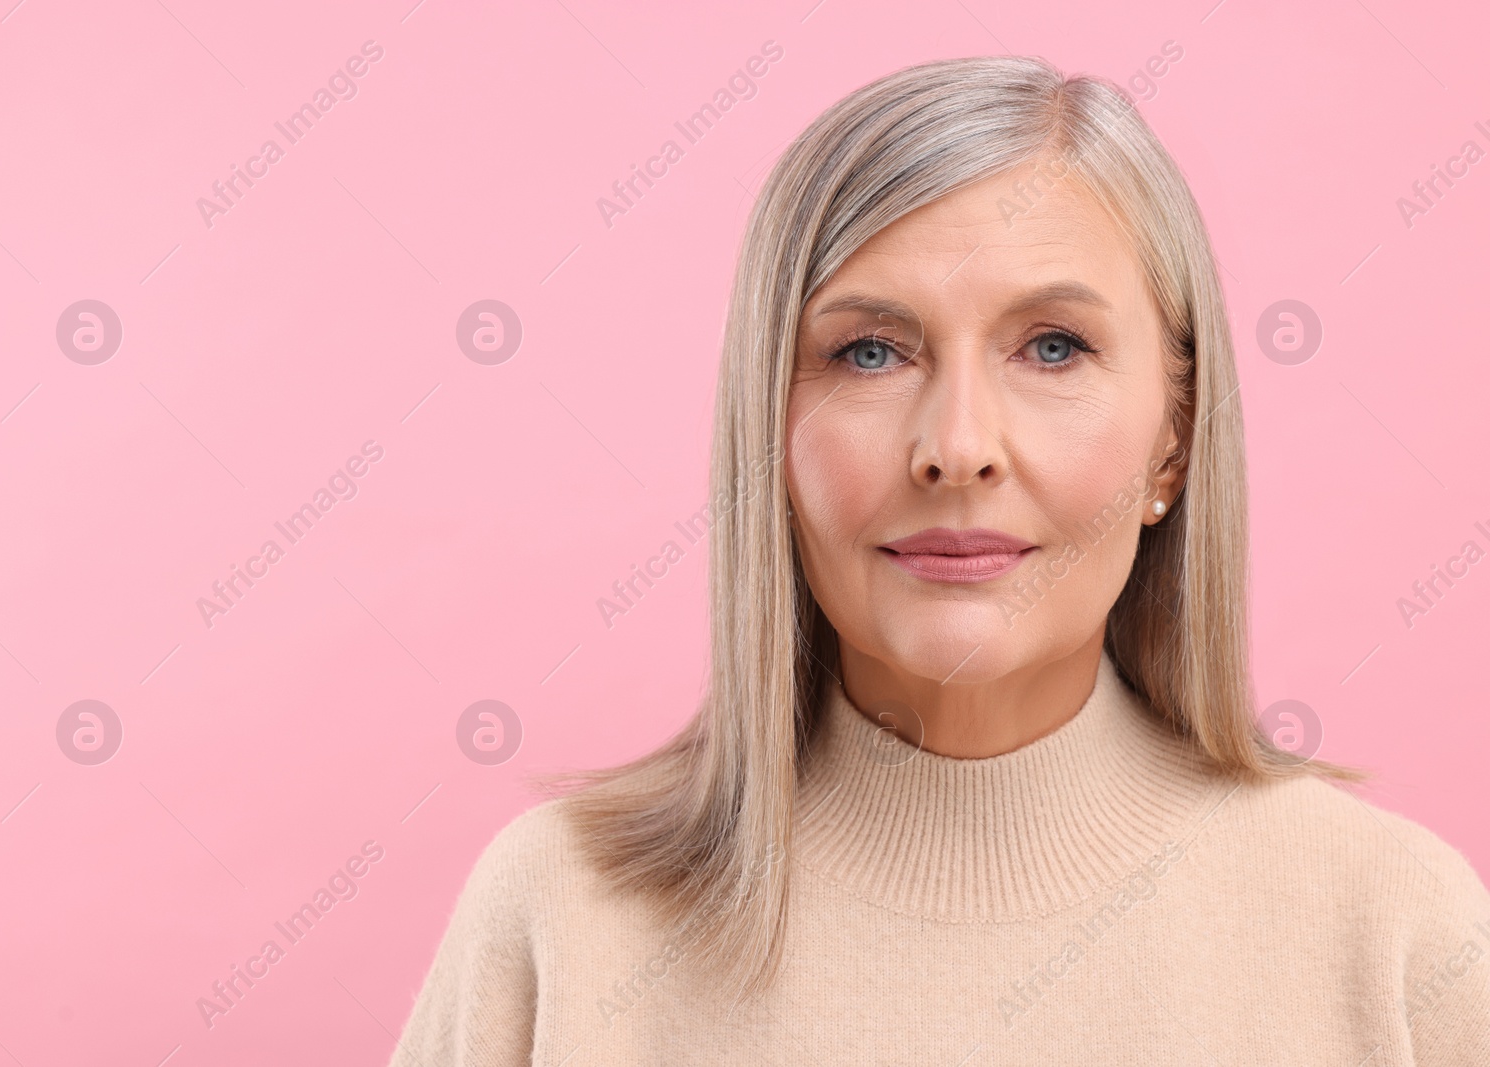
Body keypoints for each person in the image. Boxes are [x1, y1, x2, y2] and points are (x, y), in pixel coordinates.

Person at [387, 55, 1490, 1064]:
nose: (956, 447)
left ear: (1176, 440)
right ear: (766, 432)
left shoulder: (1396, 932)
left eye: (1052, 345)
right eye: (869, 351)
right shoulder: (560, 919)